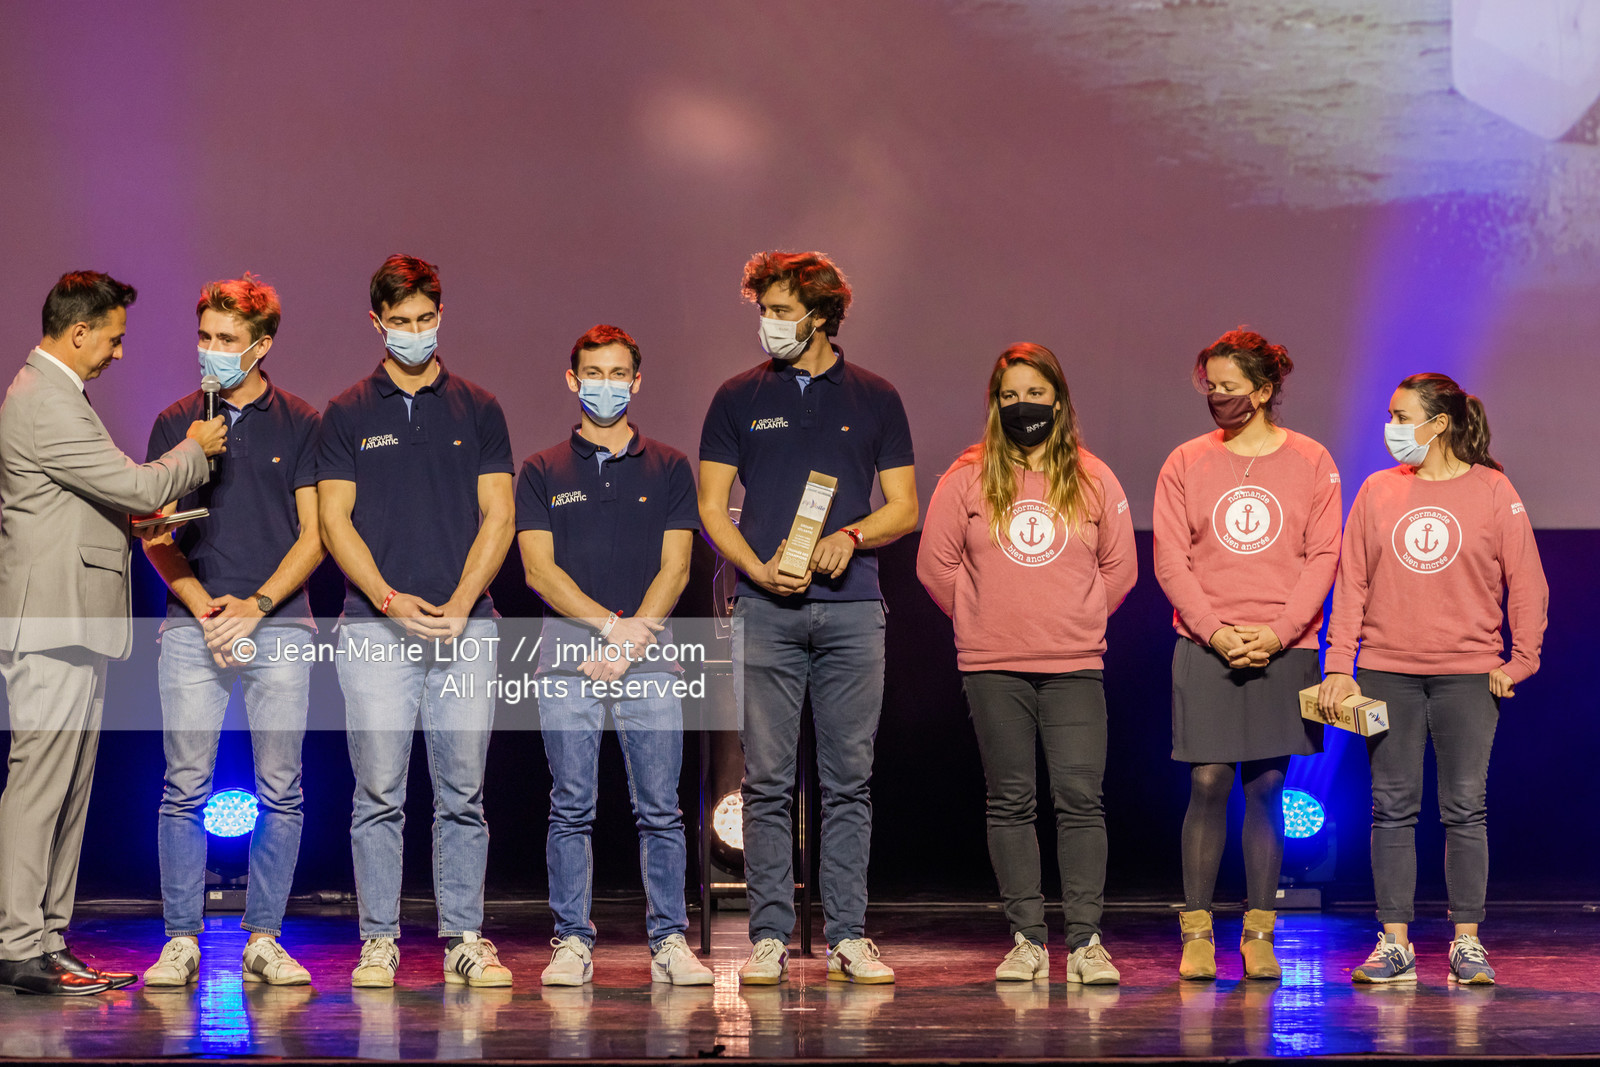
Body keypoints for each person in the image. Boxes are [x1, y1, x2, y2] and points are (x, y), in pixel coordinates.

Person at [0, 271, 225, 995]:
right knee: (41, 787)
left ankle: (46, 937)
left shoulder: (59, 396)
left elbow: (91, 497)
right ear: (79, 331)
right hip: (51, 620)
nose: (120, 353)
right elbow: (132, 483)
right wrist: (195, 449)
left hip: (75, 619)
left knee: (66, 790)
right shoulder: (43, 398)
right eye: (115, 338)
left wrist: (132, 520)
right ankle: (15, 943)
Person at [698, 251, 918, 985]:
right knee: (765, 780)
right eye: (762, 309)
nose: (767, 324)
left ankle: (849, 935)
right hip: (765, 611)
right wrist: (755, 569)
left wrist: (849, 536)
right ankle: (769, 937)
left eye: (780, 309)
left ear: (821, 315)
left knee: (848, 779)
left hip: (853, 610)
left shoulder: (877, 397)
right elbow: (709, 507)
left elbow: (903, 507)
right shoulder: (735, 398)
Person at [318, 254, 516, 989]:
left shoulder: (479, 406)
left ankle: (464, 935)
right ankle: (379, 941)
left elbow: (499, 514)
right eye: (398, 322)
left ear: (441, 315)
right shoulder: (345, 412)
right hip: (375, 630)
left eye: (424, 319)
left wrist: (464, 600)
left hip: (469, 627)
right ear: (376, 323)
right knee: (379, 791)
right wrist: (389, 599)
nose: (413, 332)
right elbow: (335, 522)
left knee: (463, 790)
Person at [917, 343, 1136, 986]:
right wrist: (987, 615)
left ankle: (1088, 943)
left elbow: (1119, 567)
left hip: (1074, 665)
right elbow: (936, 566)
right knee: (1010, 800)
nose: (1022, 406)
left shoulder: (1095, 477)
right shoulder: (965, 477)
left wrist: (1078, 616)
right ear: (995, 405)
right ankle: (1027, 940)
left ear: (1059, 401)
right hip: (992, 666)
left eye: (1034, 394)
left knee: (1079, 800)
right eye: (1009, 396)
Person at [1319, 373, 1546, 986]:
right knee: (1390, 808)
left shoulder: (1494, 491)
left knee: (1465, 808)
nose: (1391, 428)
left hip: (1468, 676)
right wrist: (1340, 666)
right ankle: (1394, 944)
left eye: (1401, 415)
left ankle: (1466, 942)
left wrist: (1520, 659)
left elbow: (1526, 580)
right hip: (1386, 671)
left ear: (1439, 422)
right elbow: (1353, 583)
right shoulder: (1376, 490)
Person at [138, 274, 325, 988]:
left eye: (227, 340)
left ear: (262, 344)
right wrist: (202, 603)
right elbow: (153, 532)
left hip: (278, 625)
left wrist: (255, 603)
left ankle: (265, 938)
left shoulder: (303, 422)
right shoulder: (173, 420)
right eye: (205, 337)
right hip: (193, 627)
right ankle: (180, 940)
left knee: (282, 787)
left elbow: (316, 535)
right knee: (183, 786)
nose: (211, 351)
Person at [517, 324, 713, 987]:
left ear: (637, 380)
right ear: (573, 380)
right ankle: (571, 939)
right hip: (569, 657)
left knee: (660, 807)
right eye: (592, 371)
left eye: (618, 371)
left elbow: (678, 566)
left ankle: (669, 942)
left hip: (650, 657)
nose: (605, 382)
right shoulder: (542, 469)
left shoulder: (669, 466)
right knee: (570, 804)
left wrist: (634, 639)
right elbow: (539, 572)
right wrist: (609, 629)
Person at [1151, 329, 1341, 981]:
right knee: (1207, 780)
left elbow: (1323, 556)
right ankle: (1197, 931)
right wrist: (1215, 629)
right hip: (1206, 644)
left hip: (1283, 646)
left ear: (1262, 391)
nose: (1216, 395)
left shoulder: (1313, 460)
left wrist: (1280, 631)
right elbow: (1170, 558)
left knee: (1266, 786)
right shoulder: (1185, 460)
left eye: (1229, 385)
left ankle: (1259, 930)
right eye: (1210, 384)